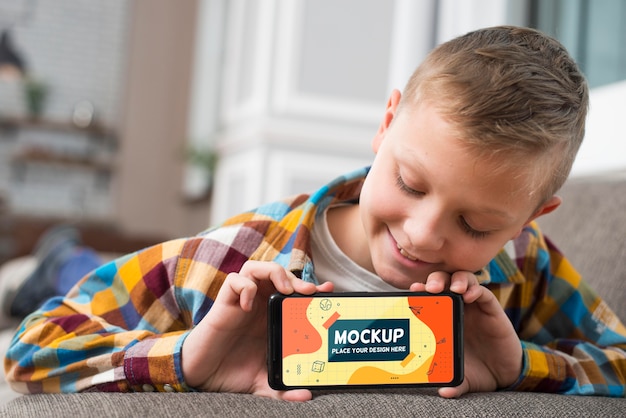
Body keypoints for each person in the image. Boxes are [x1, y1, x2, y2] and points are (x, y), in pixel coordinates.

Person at [4, 26, 625, 401]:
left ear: (529, 217)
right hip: (176, 274)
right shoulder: (234, 258)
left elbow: (618, 360)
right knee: (89, 272)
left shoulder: (526, 259)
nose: (424, 235)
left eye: (476, 226)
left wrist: (524, 368)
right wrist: (187, 358)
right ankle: (63, 258)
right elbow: (30, 352)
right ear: (385, 125)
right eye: (410, 184)